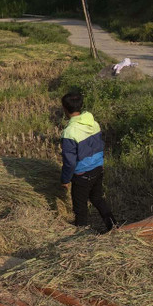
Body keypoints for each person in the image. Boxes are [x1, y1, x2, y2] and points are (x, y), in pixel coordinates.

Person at [60, 92, 116, 232]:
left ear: (65, 109)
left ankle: (81, 236)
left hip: (82, 175)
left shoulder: (69, 132)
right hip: (98, 169)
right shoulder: (93, 123)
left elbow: (70, 162)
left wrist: (65, 180)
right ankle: (113, 226)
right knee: (97, 198)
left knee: (80, 208)